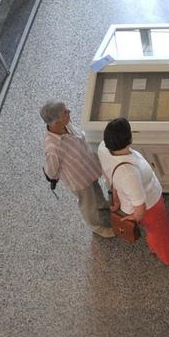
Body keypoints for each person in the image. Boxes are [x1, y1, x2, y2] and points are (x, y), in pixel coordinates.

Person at [99, 118, 169, 265]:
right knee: (160, 233)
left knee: (153, 231)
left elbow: (108, 174)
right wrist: (135, 218)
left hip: (131, 200)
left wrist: (117, 198)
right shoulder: (129, 173)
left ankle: (154, 248)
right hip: (151, 207)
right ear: (129, 138)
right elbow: (140, 206)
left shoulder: (103, 148)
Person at [40, 101, 113, 240]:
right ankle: (97, 227)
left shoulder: (67, 125)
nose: (69, 112)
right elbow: (51, 170)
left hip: (88, 167)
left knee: (95, 188)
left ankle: (102, 204)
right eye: (65, 112)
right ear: (55, 121)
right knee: (87, 203)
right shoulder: (53, 148)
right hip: (78, 178)